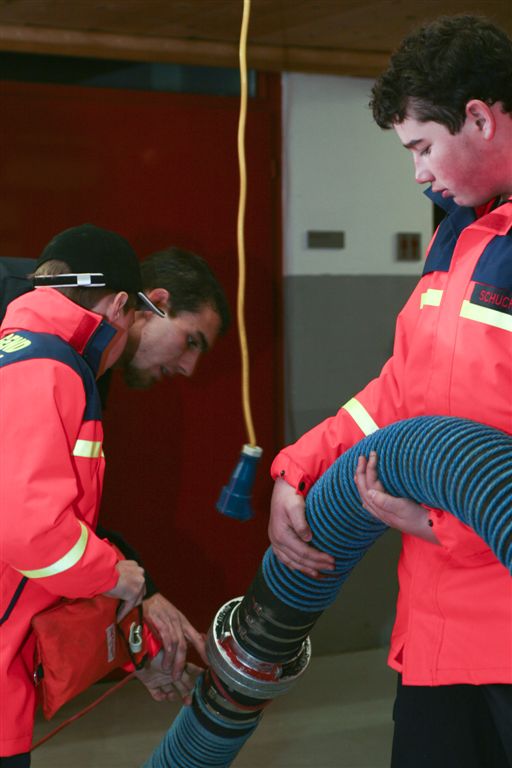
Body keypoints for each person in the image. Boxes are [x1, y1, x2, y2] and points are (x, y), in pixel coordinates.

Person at [268, 15, 512, 768]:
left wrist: (447, 524)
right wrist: (301, 467)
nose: (418, 174)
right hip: (437, 638)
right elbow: (405, 391)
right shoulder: (458, 234)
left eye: (422, 147)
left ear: (480, 118)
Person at [0, 246, 231, 699]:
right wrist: (121, 583)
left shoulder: (86, 362)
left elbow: (65, 517)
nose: (189, 368)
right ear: (154, 302)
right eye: (191, 341)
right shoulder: (35, 337)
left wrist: (134, 616)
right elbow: (31, 523)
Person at [0, 223, 158, 766]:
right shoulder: (48, 366)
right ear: (118, 306)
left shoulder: (14, 351)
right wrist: (114, 573)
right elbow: (30, 528)